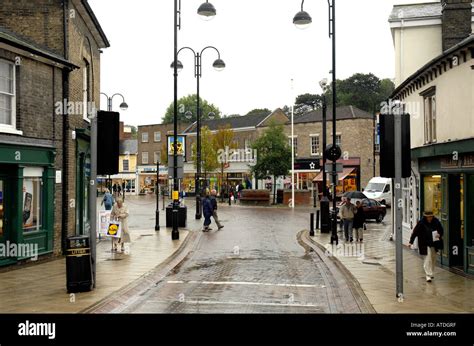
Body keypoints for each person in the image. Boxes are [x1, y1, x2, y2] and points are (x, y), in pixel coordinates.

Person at [409, 211, 444, 282]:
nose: (430, 218)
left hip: (434, 243)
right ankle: (428, 275)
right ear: (425, 217)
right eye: (428, 217)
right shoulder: (421, 223)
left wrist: (439, 234)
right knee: (428, 259)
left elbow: (441, 230)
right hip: (424, 243)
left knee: (433, 259)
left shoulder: (436, 221)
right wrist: (411, 242)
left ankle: (431, 273)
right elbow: (415, 232)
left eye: (431, 216)